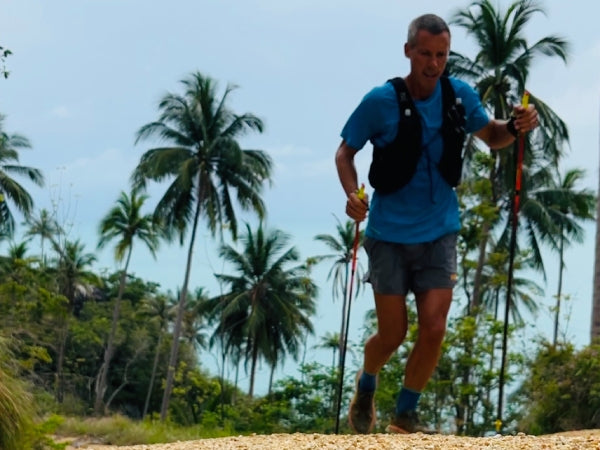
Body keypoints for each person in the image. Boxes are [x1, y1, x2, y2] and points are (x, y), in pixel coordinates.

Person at [334, 13, 538, 434]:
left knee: (434, 327)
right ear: (408, 51)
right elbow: (345, 153)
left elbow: (492, 135)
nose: (433, 63)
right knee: (392, 335)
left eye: (441, 55)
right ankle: (367, 383)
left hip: (440, 230)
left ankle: (405, 415)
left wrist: (515, 127)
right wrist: (353, 195)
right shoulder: (379, 101)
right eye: (425, 53)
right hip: (388, 234)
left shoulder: (460, 96)